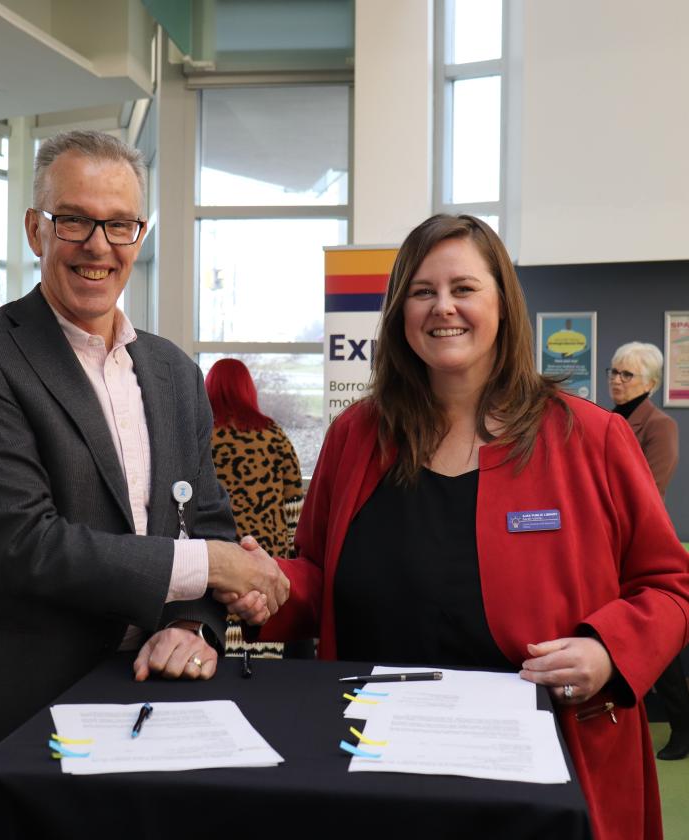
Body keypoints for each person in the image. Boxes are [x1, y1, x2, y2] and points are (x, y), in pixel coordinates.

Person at [229, 215, 689, 840]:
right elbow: (317, 576)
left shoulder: (590, 438)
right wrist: (271, 585)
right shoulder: (356, 437)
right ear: (399, 312)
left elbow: (668, 585)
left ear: (503, 302)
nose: (443, 307)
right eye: (422, 291)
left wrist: (610, 650)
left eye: (464, 288)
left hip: (542, 777)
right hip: (374, 768)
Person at [0, 130, 287, 837]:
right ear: (35, 228)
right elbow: (24, 544)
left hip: (149, 714)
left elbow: (207, 522)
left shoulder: (171, 371)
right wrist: (218, 568)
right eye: (73, 219)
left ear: (141, 234)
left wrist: (191, 626)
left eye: (121, 224)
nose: (98, 245)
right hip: (12, 728)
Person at [608, 341, 689, 760]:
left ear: (652, 384)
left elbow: (649, 494)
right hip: (604, 546)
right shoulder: (604, 420)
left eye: (627, 375)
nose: (617, 382)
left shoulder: (659, 426)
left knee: (661, 646)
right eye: (614, 372)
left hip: (638, 548)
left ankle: (682, 725)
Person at [205, 358, 303, 655]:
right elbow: (294, 506)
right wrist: (289, 557)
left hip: (215, 563)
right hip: (264, 563)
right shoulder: (272, 435)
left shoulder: (200, 437)